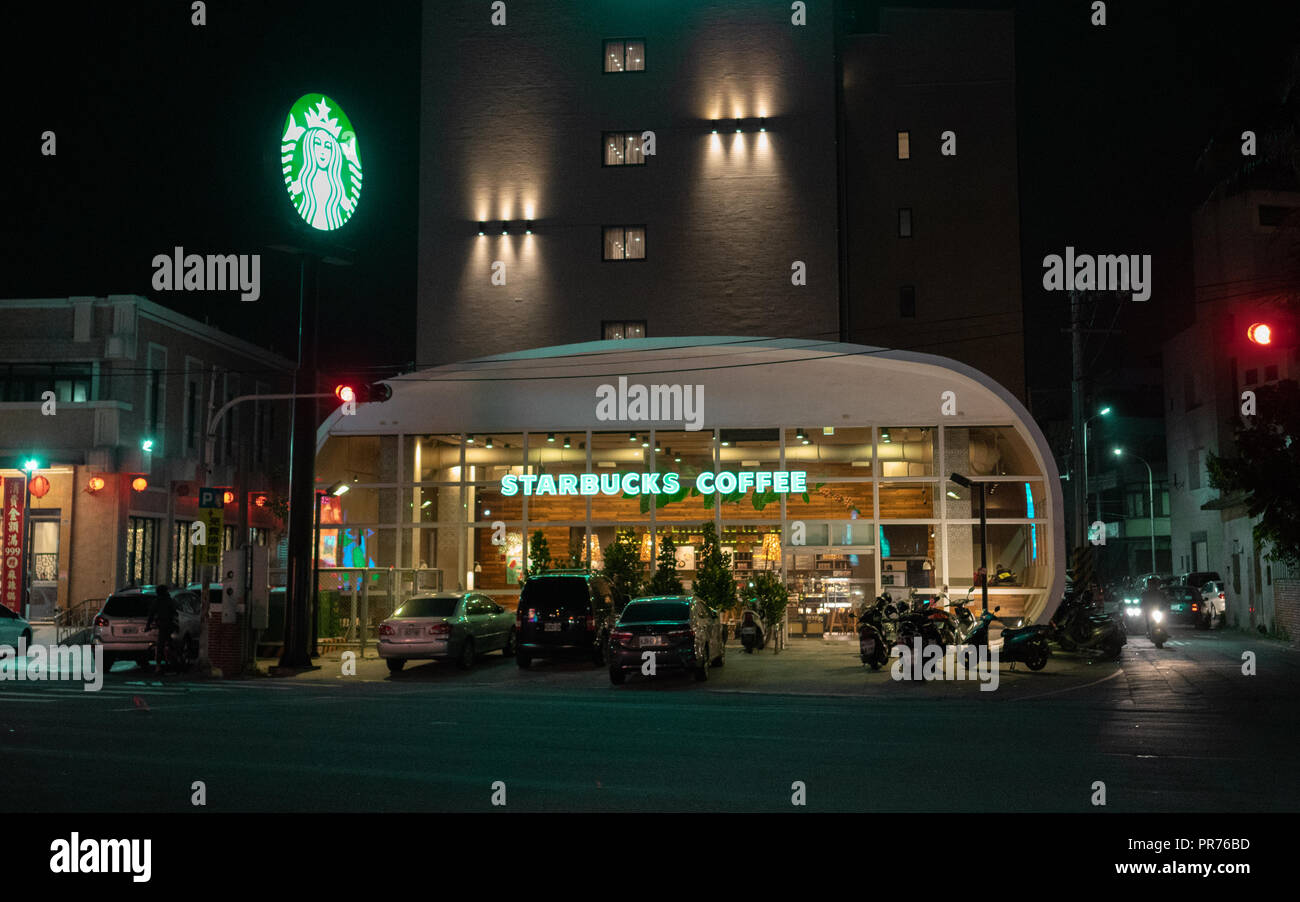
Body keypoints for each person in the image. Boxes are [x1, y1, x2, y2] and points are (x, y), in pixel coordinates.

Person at [145, 585, 177, 675]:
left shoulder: (157, 601)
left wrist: (148, 625)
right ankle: (173, 661)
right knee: (169, 643)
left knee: (160, 645)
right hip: (169, 624)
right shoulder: (169, 600)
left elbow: (151, 614)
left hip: (163, 625)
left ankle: (159, 666)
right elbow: (174, 612)